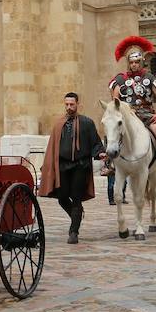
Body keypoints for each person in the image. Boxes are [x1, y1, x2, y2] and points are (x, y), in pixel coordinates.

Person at [40, 93, 106, 244]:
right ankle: (76, 215)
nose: (69, 107)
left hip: (80, 166)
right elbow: (53, 147)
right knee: (62, 197)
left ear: (78, 104)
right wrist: (48, 166)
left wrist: (100, 152)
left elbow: (95, 141)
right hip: (63, 166)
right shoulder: (59, 124)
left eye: (72, 104)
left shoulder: (87, 122)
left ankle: (73, 231)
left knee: (76, 198)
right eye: (67, 104)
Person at [109, 35, 156, 174]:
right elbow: (115, 97)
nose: (134, 64)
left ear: (141, 62)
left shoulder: (150, 78)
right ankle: (109, 164)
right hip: (128, 114)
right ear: (128, 63)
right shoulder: (120, 79)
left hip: (146, 113)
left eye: (137, 62)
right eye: (131, 62)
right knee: (112, 129)